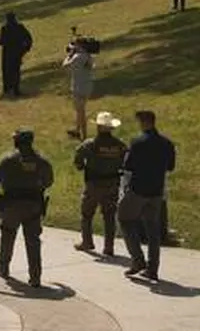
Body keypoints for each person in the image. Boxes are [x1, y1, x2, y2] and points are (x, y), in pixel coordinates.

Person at [0, 129, 54, 288]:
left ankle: (3, 266)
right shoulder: (42, 161)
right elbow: (49, 181)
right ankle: (35, 277)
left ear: (17, 141)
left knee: (8, 235)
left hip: (12, 205)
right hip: (33, 205)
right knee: (33, 241)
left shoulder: (9, 159)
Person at [120, 110, 176, 282]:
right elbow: (171, 167)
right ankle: (153, 268)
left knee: (124, 219)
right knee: (153, 230)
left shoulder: (137, 142)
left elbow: (127, 166)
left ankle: (137, 260)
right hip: (157, 191)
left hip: (138, 190)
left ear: (143, 123)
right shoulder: (167, 143)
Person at [74, 111, 126, 256]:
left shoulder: (89, 144)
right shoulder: (120, 145)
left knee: (87, 214)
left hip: (93, 183)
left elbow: (78, 161)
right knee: (109, 215)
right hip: (112, 183)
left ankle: (87, 241)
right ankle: (109, 247)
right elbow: (125, 162)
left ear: (97, 127)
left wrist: (83, 167)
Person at [0, 12, 32, 97]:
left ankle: (7, 89)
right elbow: (29, 38)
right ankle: (16, 90)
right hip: (17, 52)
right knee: (16, 71)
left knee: (7, 72)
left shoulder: (5, 28)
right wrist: (25, 49)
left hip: (7, 54)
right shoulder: (20, 27)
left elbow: (2, 42)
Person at [62, 36, 95, 139]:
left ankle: (84, 136)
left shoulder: (78, 57)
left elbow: (65, 66)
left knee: (81, 113)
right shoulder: (88, 56)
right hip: (86, 86)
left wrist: (69, 55)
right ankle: (77, 130)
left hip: (78, 87)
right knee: (79, 111)